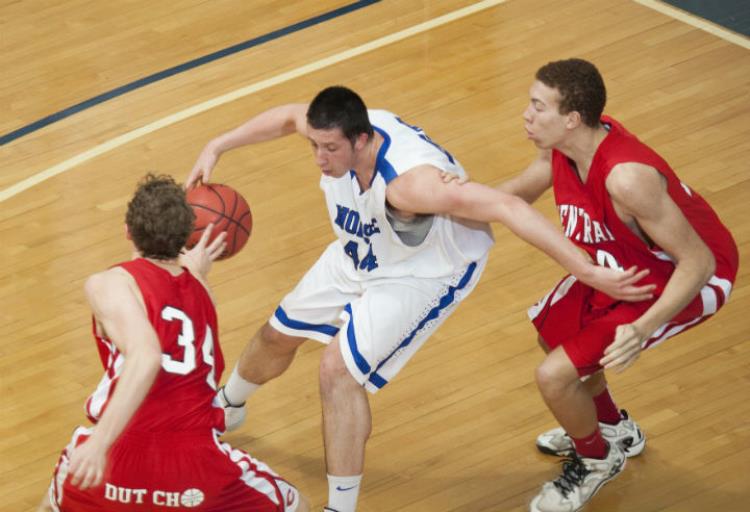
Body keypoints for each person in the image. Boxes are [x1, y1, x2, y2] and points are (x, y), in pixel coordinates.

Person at [186, 86, 653, 512]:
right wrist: (218, 144)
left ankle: (340, 508)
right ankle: (228, 406)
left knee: (337, 372)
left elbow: (507, 208)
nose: (319, 158)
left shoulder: (411, 184)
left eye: (330, 149)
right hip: (365, 246)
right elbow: (290, 117)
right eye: (315, 145)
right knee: (276, 335)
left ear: (363, 141)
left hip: (423, 271)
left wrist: (586, 270)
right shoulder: (337, 127)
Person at [491, 58, 737, 512]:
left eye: (537, 106)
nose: (526, 114)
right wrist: (444, 202)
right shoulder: (563, 149)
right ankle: (611, 427)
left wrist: (643, 328)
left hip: (684, 275)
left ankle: (597, 461)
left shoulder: (626, 178)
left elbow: (698, 261)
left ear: (572, 118)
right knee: (553, 337)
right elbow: (512, 196)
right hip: (623, 263)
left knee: (554, 378)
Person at [39, 174, 309, 512]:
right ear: (185, 238)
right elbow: (177, 285)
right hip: (196, 471)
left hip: (114, 459)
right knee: (296, 505)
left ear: (127, 230)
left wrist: (98, 445)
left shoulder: (109, 283)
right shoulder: (202, 289)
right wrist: (197, 271)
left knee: (53, 502)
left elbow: (147, 355)